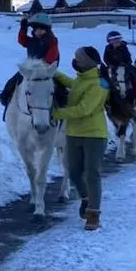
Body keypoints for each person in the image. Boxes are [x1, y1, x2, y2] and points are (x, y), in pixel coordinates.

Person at [52, 46, 111, 231]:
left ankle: (93, 215)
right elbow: (73, 84)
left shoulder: (100, 84)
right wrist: (53, 72)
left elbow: (84, 109)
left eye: (78, 58)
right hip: (73, 134)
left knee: (92, 173)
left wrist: (56, 113)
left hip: (94, 134)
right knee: (74, 171)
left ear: (88, 61)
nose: (75, 60)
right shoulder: (81, 79)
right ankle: (86, 197)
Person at [0, 11, 61, 107]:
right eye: (36, 29)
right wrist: (24, 26)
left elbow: (52, 56)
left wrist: (42, 68)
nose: (38, 31)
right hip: (30, 70)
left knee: (59, 88)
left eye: (41, 29)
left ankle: (62, 103)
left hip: (46, 71)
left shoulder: (52, 41)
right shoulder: (32, 41)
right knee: (13, 81)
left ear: (47, 30)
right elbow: (21, 40)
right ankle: (5, 97)